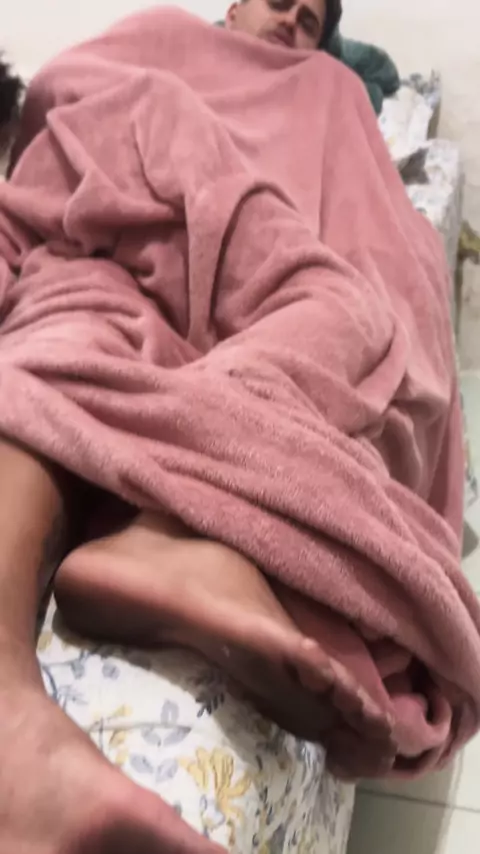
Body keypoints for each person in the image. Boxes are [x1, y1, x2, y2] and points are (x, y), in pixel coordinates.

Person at [0, 1, 409, 851]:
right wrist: (159, 149)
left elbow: (376, 231)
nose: (292, 16)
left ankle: (167, 539)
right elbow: (67, 96)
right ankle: (10, 719)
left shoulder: (333, 87)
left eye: (314, 15)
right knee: (64, 333)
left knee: (354, 319)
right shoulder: (161, 35)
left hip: (267, 265)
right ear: (233, 5)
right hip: (119, 235)